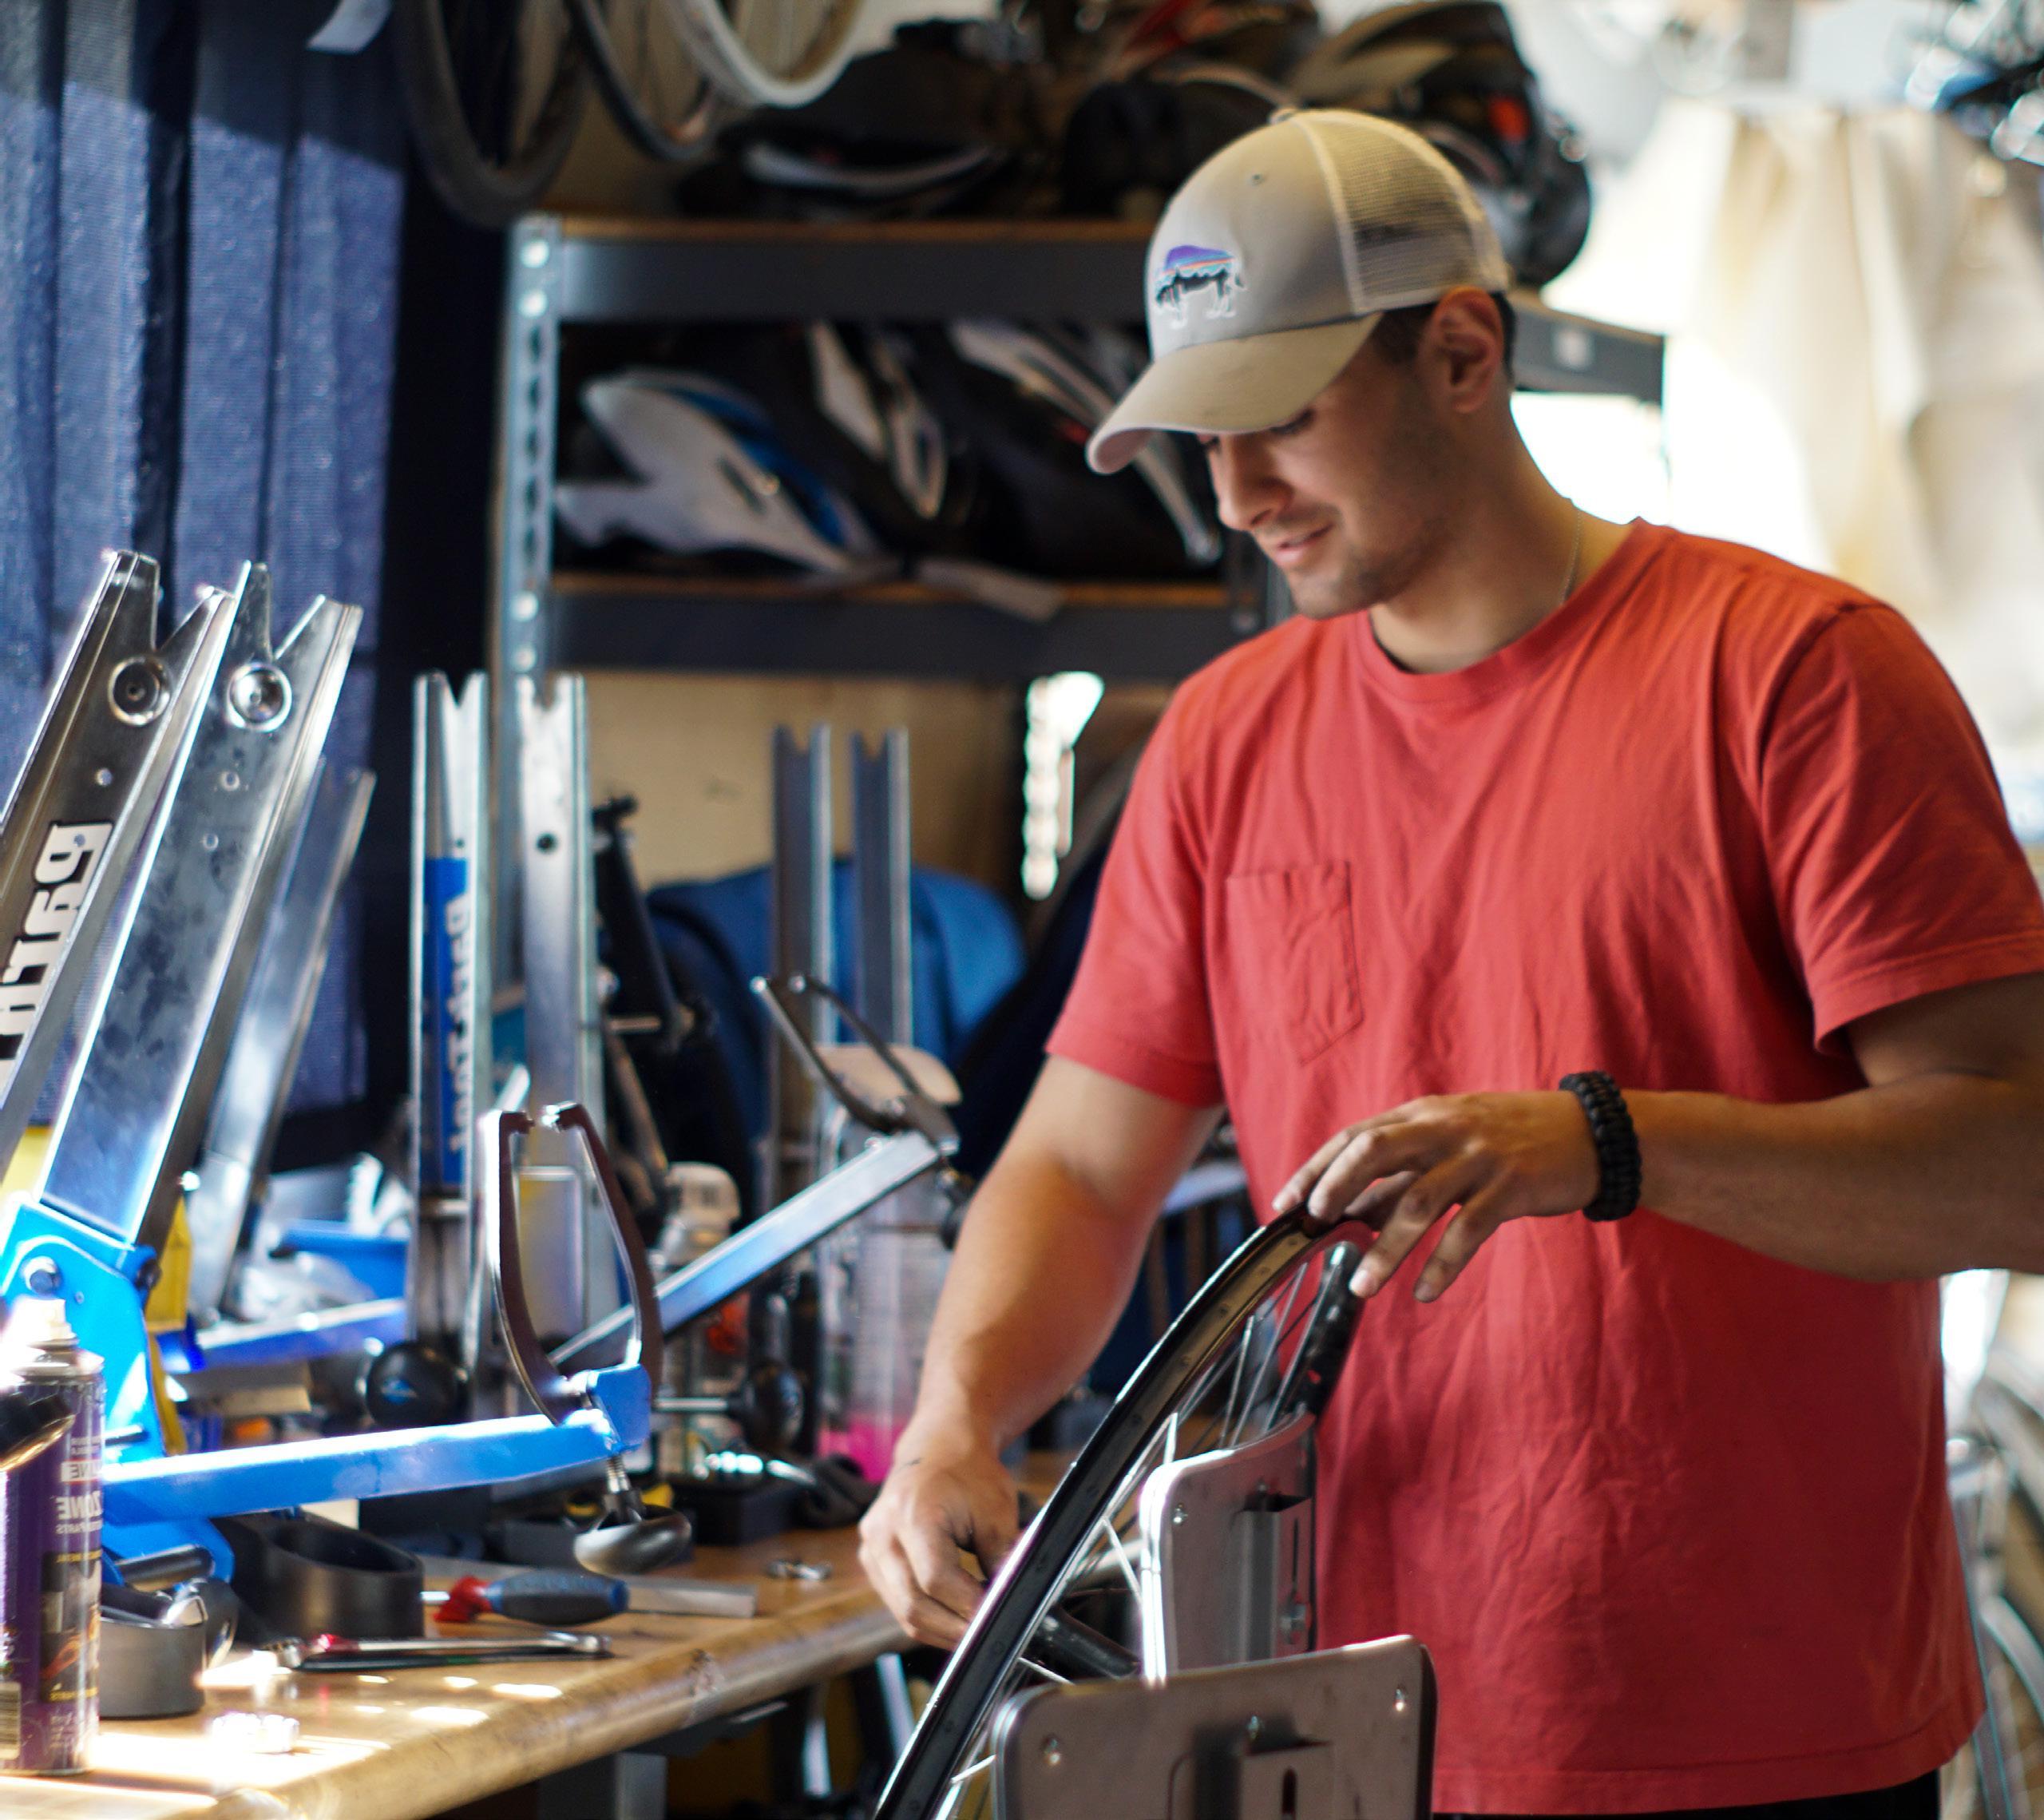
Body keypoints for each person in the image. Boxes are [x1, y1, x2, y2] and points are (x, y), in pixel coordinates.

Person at [858, 109, 2044, 1817]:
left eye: (1284, 418)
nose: (1238, 494)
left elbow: (2014, 1164)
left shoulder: (1795, 674)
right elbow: (1082, 1166)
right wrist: (953, 1419)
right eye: (1204, 438)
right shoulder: (1226, 743)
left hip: (1755, 1733)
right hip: (1349, 1725)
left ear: (1464, 354)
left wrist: (1607, 1144)